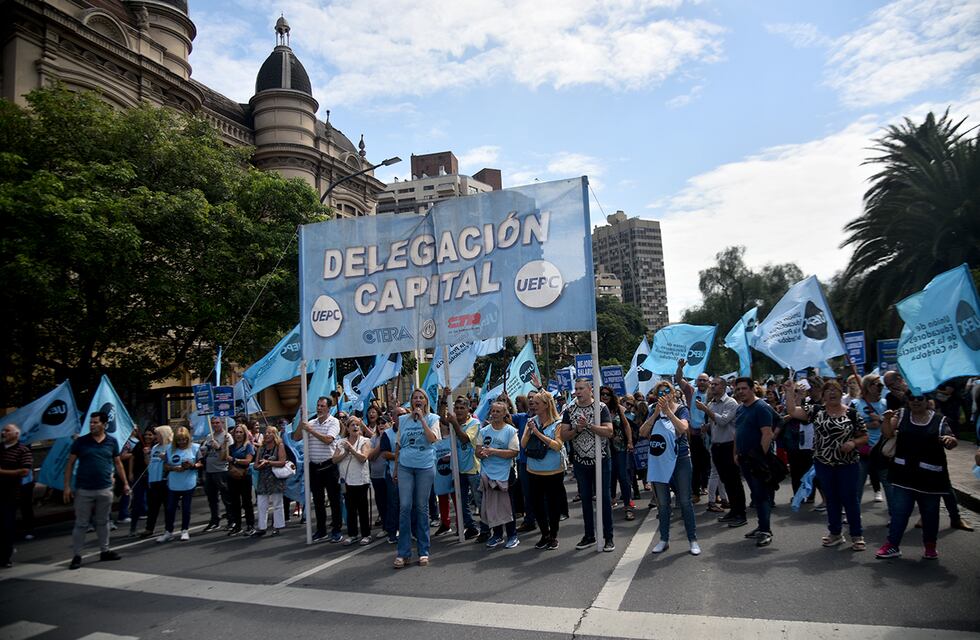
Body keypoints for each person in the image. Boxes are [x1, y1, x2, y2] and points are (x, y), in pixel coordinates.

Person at [785, 380, 868, 551]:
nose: (832, 393)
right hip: (824, 463)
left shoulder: (852, 413)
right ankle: (835, 533)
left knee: (850, 499)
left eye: (835, 390)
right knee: (832, 499)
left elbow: (864, 436)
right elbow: (792, 411)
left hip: (848, 463)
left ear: (841, 393)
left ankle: (856, 535)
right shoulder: (816, 411)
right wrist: (789, 391)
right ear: (822, 395)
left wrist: (853, 443)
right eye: (828, 390)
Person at [875, 393, 958, 559]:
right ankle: (892, 545)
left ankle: (930, 546)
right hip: (903, 474)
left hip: (930, 477)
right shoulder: (901, 415)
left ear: (927, 401)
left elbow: (952, 440)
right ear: (907, 400)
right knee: (899, 511)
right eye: (912, 398)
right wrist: (886, 419)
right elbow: (888, 434)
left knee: (930, 514)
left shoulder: (939, 420)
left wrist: (949, 440)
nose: (915, 401)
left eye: (920, 398)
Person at [640, 381, 699, 555]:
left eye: (667, 391)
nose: (663, 395)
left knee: (685, 502)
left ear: (673, 393)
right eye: (660, 392)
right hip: (659, 461)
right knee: (663, 503)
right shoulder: (653, 410)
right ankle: (664, 539)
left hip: (680, 459)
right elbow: (643, 432)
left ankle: (692, 539)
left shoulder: (681, 409)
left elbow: (683, 428)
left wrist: (668, 413)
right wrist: (656, 414)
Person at [65, 412, 129, 569]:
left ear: (104, 424)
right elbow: (70, 464)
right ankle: (77, 556)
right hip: (84, 489)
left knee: (103, 522)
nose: (92, 425)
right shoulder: (81, 442)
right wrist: (67, 486)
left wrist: (125, 483)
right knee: (81, 524)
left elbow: (118, 463)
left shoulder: (112, 442)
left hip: (105, 488)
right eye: (91, 422)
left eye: (95, 422)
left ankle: (105, 551)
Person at [560, 378, 616, 552]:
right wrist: (577, 428)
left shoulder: (601, 408)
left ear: (590, 389)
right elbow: (563, 435)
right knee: (585, 499)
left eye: (581, 388)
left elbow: (609, 431)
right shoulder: (569, 409)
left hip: (601, 460)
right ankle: (589, 535)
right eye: (576, 388)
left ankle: (609, 537)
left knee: (604, 499)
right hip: (581, 462)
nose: (577, 391)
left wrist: (589, 426)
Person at [393, 389, 439, 568]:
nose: (417, 400)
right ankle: (403, 553)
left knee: (421, 507)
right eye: (414, 398)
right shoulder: (403, 420)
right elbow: (398, 445)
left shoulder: (433, 419)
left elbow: (432, 439)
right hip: (405, 465)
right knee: (405, 506)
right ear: (411, 401)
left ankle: (423, 551)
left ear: (426, 402)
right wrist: (396, 468)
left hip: (425, 466)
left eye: (421, 398)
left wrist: (421, 420)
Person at [292, 396, 343, 543]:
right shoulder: (311, 423)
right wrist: (302, 422)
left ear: (328, 408)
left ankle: (336, 529)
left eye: (322, 406)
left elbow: (328, 440)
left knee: (334, 500)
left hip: (329, 466)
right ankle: (321, 530)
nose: (319, 408)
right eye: (318, 405)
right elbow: (296, 438)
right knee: (318, 501)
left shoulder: (334, 422)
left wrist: (311, 431)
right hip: (314, 467)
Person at [732, 377, 775, 547]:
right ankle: (761, 526)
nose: (741, 392)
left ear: (752, 389)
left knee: (762, 496)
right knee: (756, 495)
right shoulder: (741, 409)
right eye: (738, 389)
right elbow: (737, 432)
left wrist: (759, 458)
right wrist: (735, 452)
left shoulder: (762, 407)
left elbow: (767, 434)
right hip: (743, 458)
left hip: (756, 461)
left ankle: (765, 531)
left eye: (744, 388)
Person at [522, 392, 566, 550]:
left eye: (537, 403)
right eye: (532, 403)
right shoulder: (531, 421)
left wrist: (538, 433)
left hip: (553, 471)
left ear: (546, 405)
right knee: (537, 504)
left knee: (553, 505)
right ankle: (544, 534)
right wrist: (529, 430)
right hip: (534, 470)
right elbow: (523, 444)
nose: (533, 406)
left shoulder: (558, 423)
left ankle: (553, 535)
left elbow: (557, 445)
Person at [701, 377, 744, 527]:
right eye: (711, 384)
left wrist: (706, 410)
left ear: (724, 387)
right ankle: (733, 511)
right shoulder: (712, 403)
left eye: (715, 384)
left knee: (734, 481)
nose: (712, 386)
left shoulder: (730, 403)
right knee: (725, 480)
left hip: (729, 446)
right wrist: (707, 426)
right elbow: (715, 423)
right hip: (716, 446)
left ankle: (740, 513)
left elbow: (723, 421)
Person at [478, 400, 521, 549]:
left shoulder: (510, 431)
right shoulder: (483, 431)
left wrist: (493, 451)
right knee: (491, 506)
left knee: (507, 505)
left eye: (498, 411)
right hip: (488, 474)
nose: (494, 414)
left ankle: (512, 535)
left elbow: (514, 452)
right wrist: (482, 453)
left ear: (504, 414)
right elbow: (477, 451)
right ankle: (496, 535)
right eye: (493, 411)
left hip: (505, 474)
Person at [441, 395, 485, 540]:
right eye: (456, 408)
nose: (459, 411)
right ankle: (471, 527)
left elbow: (465, 438)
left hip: (473, 469)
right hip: (458, 469)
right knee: (461, 501)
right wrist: (444, 398)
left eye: (462, 408)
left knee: (479, 500)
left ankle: (486, 528)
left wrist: (454, 423)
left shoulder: (475, 423)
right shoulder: (453, 422)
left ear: (468, 409)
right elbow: (441, 419)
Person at [674, 363, 711, 502]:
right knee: (695, 464)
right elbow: (678, 379)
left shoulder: (713, 394)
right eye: (699, 380)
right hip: (694, 434)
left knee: (709, 464)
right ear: (696, 382)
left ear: (709, 382)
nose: (701, 382)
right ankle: (695, 492)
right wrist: (680, 367)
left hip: (709, 434)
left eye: (704, 380)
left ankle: (709, 488)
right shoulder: (690, 391)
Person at [157, 426, 200, 543]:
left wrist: (191, 466)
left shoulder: (195, 448)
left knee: (186, 508)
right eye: (179, 440)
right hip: (174, 483)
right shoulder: (170, 449)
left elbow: (200, 463)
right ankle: (168, 531)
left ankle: (184, 530)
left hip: (188, 482)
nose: (182, 442)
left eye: (184, 439)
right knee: (170, 508)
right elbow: (165, 465)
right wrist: (173, 468)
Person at [334, 417, 373, 545]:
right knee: (350, 508)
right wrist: (345, 453)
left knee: (362, 508)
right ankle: (352, 534)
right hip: (346, 480)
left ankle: (366, 534)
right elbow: (334, 459)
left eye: (357, 425)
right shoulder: (341, 442)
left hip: (361, 479)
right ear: (348, 428)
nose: (355, 427)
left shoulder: (365, 441)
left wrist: (351, 450)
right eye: (352, 425)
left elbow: (363, 458)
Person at [600, 387, 635, 520]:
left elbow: (626, 425)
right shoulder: (597, 409)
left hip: (619, 448)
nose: (604, 396)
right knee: (608, 477)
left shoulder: (618, 408)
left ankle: (628, 505)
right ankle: (609, 502)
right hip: (603, 448)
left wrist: (630, 441)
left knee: (623, 476)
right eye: (602, 394)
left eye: (607, 394)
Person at [1, 424, 32, 568]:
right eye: (3, 430)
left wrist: (2, 472)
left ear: (16, 434)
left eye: (7, 431)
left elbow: (24, 471)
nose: (3, 433)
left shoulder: (23, 450)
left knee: (7, 525)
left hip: (10, 493)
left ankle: (5, 557)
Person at [852, 374, 886, 503]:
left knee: (888, 484)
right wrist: (868, 425)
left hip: (882, 450)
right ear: (868, 386)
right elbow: (848, 425)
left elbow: (893, 424)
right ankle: (852, 514)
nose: (880, 387)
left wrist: (881, 420)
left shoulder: (885, 403)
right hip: (862, 450)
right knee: (857, 483)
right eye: (877, 384)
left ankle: (894, 516)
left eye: (881, 385)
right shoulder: (856, 404)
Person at [200, 416, 233, 533]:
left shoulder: (227, 436)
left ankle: (231, 520)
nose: (215, 425)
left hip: (222, 470)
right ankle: (214, 521)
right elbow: (203, 452)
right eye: (213, 423)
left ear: (222, 423)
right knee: (212, 498)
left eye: (217, 423)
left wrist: (219, 448)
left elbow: (229, 454)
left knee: (226, 497)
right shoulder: (209, 436)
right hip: (210, 470)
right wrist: (204, 451)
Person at [253, 425, 287, 537]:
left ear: (275, 435)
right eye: (266, 433)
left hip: (275, 478)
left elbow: (282, 462)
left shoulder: (279, 446)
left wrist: (269, 462)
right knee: (262, 504)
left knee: (277, 503)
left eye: (270, 433)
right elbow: (256, 465)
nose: (267, 435)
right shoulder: (261, 448)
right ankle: (262, 527)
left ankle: (277, 526)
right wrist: (260, 465)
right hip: (263, 478)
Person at [365, 406, 392, 540]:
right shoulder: (374, 439)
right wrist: (381, 441)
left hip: (390, 474)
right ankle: (386, 527)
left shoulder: (393, 436)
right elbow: (370, 456)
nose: (381, 425)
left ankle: (394, 527)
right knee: (381, 502)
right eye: (379, 423)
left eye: (384, 423)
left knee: (391, 501)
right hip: (377, 475)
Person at [124, 427, 154, 536]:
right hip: (139, 475)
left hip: (152, 476)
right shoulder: (139, 445)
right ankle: (133, 528)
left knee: (152, 502)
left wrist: (148, 453)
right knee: (137, 501)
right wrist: (130, 473)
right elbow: (132, 458)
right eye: (146, 434)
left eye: (150, 434)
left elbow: (149, 464)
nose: (147, 437)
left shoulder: (156, 447)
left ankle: (150, 527)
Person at [226, 424, 255, 536]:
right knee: (234, 502)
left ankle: (250, 525)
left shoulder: (248, 446)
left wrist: (234, 460)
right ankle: (237, 525)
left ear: (245, 434)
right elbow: (223, 457)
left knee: (246, 501)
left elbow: (248, 461)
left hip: (244, 476)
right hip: (233, 477)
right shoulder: (231, 447)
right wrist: (223, 444)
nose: (238, 434)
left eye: (240, 432)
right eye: (236, 432)